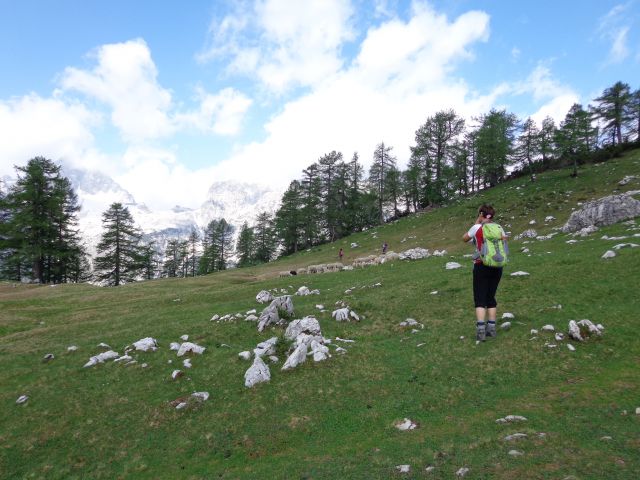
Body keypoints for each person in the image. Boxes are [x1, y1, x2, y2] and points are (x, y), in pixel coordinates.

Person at [462, 204, 507, 341]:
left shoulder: (477, 227)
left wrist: (477, 222)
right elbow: (504, 241)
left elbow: (464, 238)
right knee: (491, 297)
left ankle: (481, 330)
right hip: (497, 265)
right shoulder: (499, 228)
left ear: (481, 214)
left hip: (481, 265)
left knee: (480, 298)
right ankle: (492, 329)